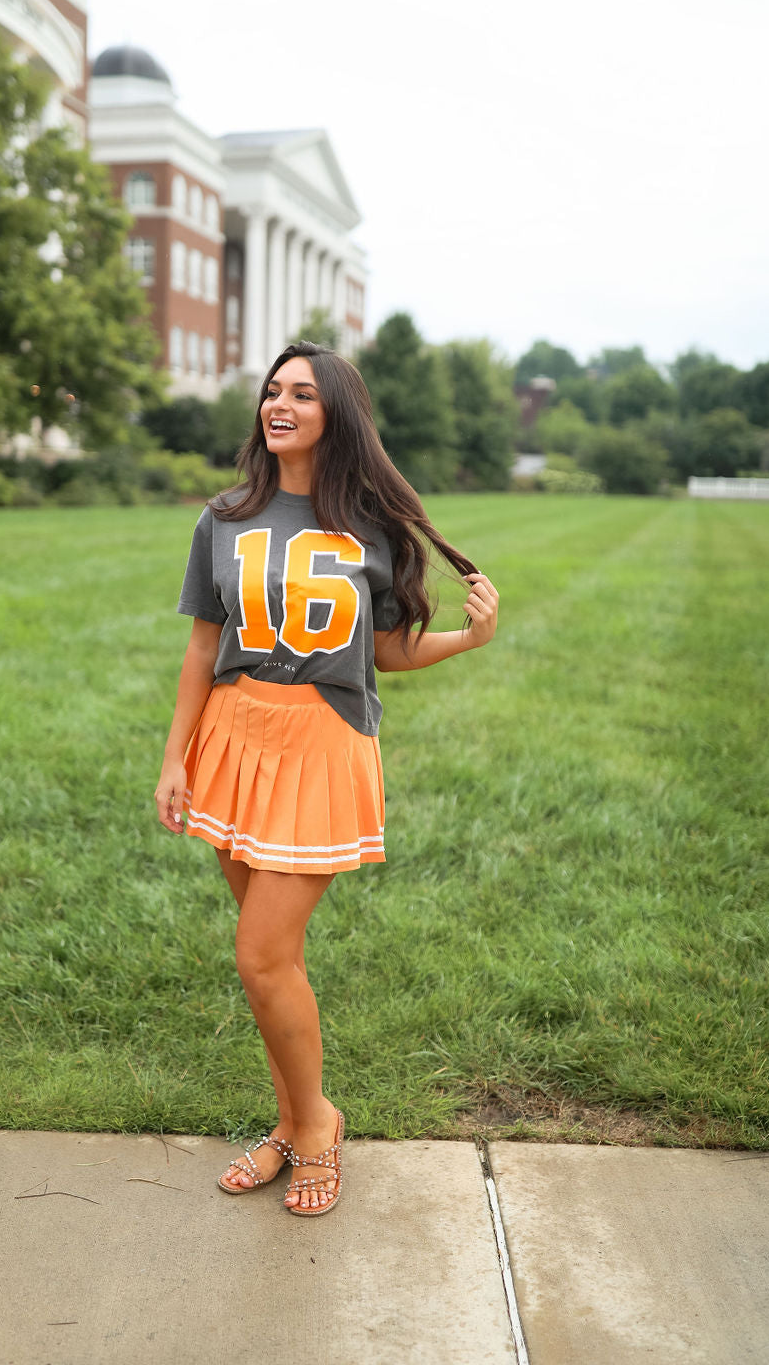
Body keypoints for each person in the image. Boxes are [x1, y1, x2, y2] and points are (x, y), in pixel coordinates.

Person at [154, 341, 499, 1217]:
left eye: (303, 394)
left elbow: (380, 649)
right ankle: (292, 1120)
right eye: (273, 391)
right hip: (234, 736)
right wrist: (174, 759)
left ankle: (316, 1128)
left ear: (335, 415)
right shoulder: (224, 517)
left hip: (323, 744)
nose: (281, 404)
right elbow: (202, 647)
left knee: (261, 955)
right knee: (277, 967)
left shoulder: (371, 529)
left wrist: (465, 640)